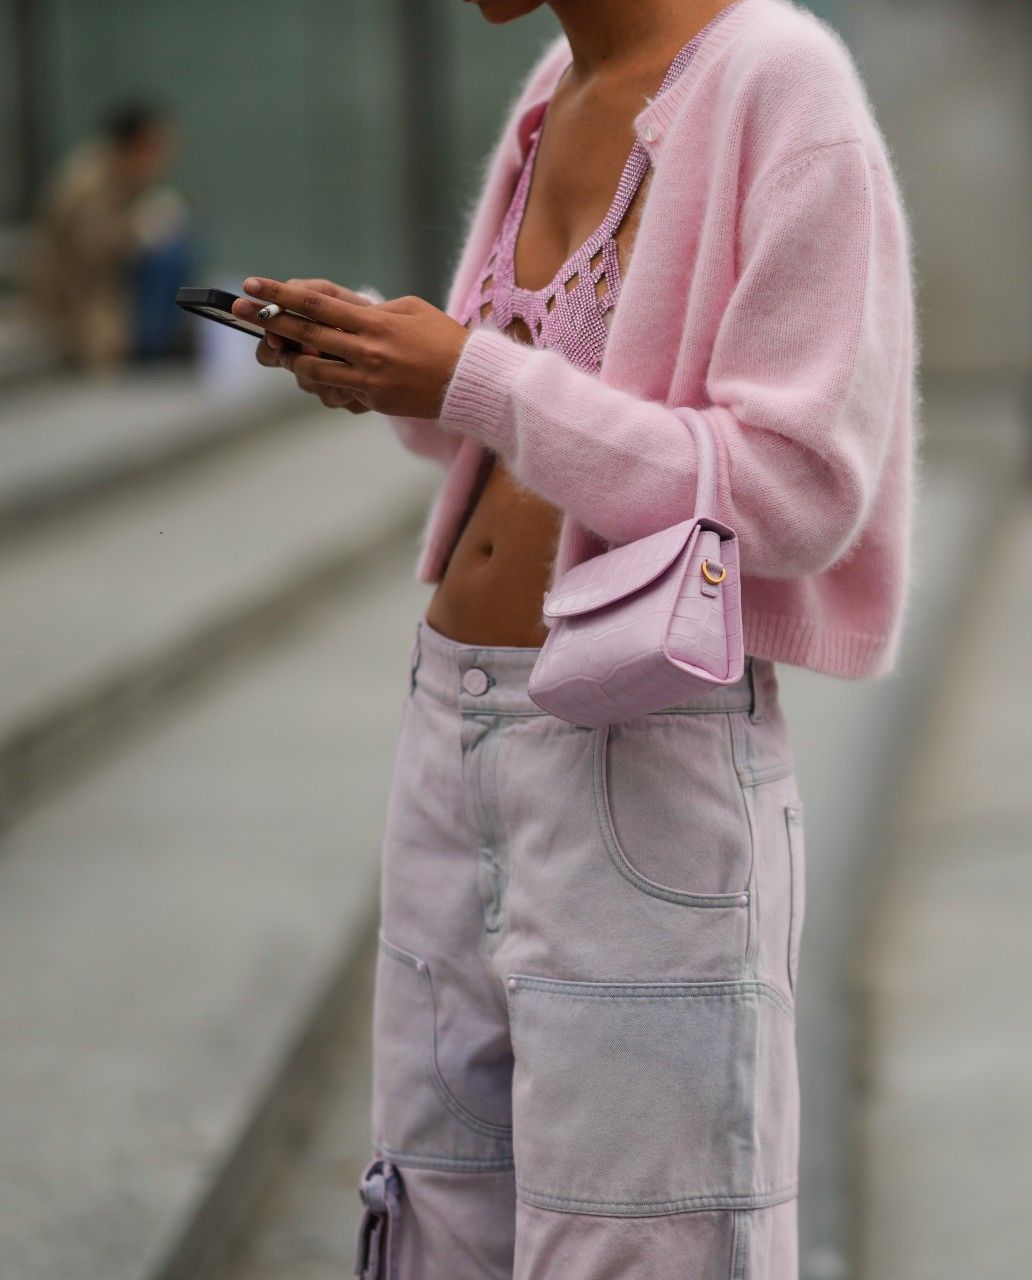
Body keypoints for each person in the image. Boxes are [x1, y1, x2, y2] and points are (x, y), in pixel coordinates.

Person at [232, 0, 917, 1274]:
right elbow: (495, 428)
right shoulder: (556, 84)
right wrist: (382, 358)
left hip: (638, 750)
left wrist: (465, 375)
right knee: (434, 1214)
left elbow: (800, 486)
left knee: (637, 1234)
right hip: (450, 725)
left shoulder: (779, 82)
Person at [27, 99, 195, 370]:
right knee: (167, 255)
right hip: (80, 299)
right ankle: (151, 352)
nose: (162, 158)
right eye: (155, 148)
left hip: (109, 294)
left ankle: (162, 345)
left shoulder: (123, 177)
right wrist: (140, 230)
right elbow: (88, 253)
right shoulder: (88, 183)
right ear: (134, 145)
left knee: (180, 240)